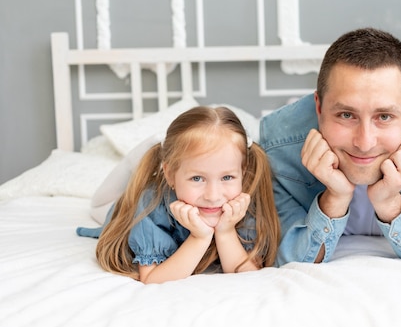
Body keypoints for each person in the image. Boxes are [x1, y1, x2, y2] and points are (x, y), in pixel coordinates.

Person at [260, 28, 401, 266]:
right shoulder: (277, 142)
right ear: (319, 107)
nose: (364, 143)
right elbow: (282, 259)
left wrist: (391, 205)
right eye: (346, 115)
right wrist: (334, 200)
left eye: (384, 117)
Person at [77, 106, 280, 283]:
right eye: (197, 178)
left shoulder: (240, 202)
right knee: (97, 206)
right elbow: (152, 278)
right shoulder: (150, 205)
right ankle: (148, 147)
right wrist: (199, 238)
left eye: (227, 177)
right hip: (116, 207)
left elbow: (249, 275)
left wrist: (225, 232)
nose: (213, 195)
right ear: (170, 174)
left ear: (242, 173)